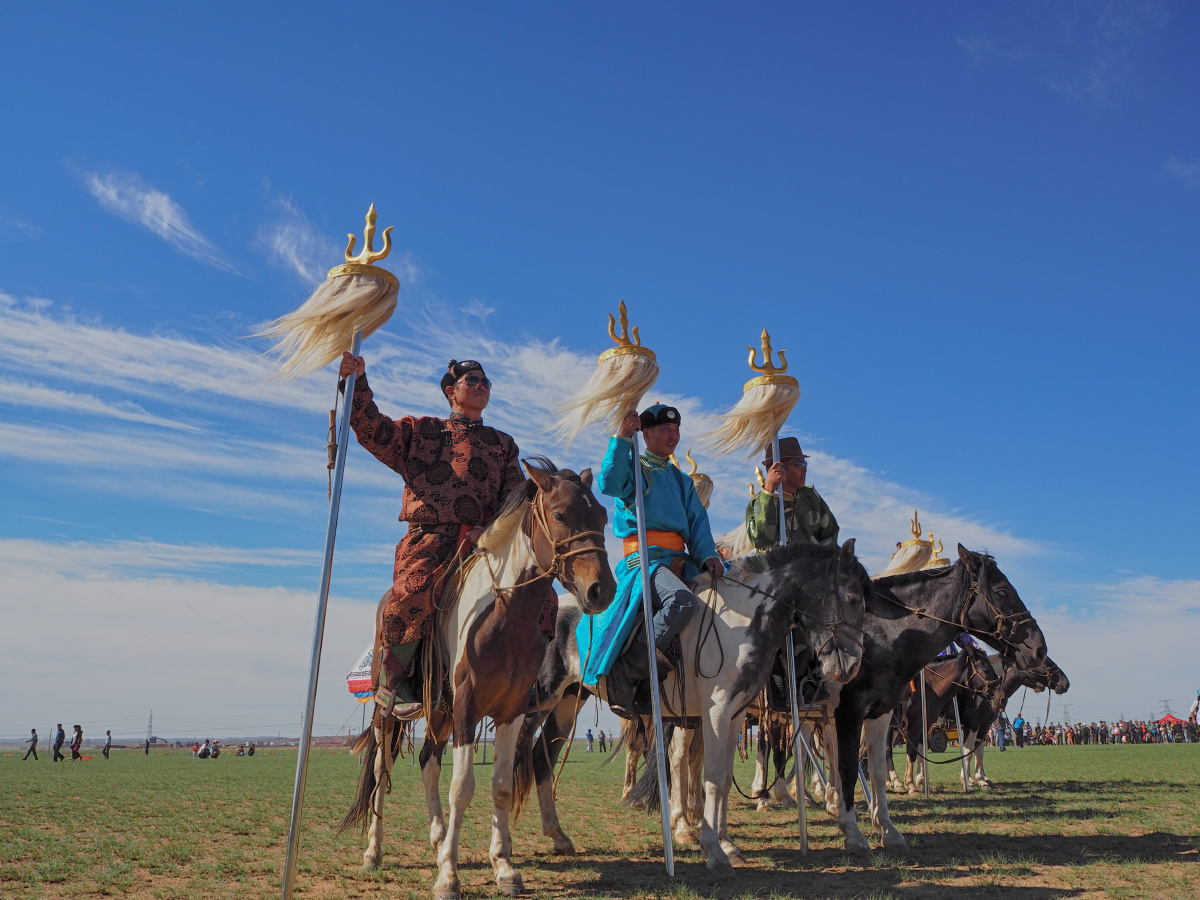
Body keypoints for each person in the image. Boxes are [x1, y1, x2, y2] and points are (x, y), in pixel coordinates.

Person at [339, 353, 528, 711]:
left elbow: (514, 496)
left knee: (538, 596)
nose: (481, 387)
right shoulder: (422, 430)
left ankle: (532, 678)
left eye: (486, 383)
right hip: (430, 539)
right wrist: (356, 383)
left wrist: (491, 530)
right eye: (472, 381)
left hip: (485, 543)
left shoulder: (504, 443)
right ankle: (397, 681)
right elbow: (374, 430)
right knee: (414, 589)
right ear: (450, 391)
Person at [592, 404, 721, 716]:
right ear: (645, 433)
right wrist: (623, 437)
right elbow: (608, 483)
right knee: (682, 601)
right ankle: (631, 666)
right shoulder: (635, 468)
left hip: (681, 561)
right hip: (645, 561)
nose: (673, 434)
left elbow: (698, 525)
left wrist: (709, 557)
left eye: (676, 430)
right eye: (665, 429)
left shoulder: (682, 481)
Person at [745, 438, 838, 549]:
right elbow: (761, 540)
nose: (804, 469)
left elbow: (830, 537)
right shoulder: (758, 502)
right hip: (774, 565)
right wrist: (769, 490)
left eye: (805, 463)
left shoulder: (811, 497)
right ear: (779, 468)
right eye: (799, 463)